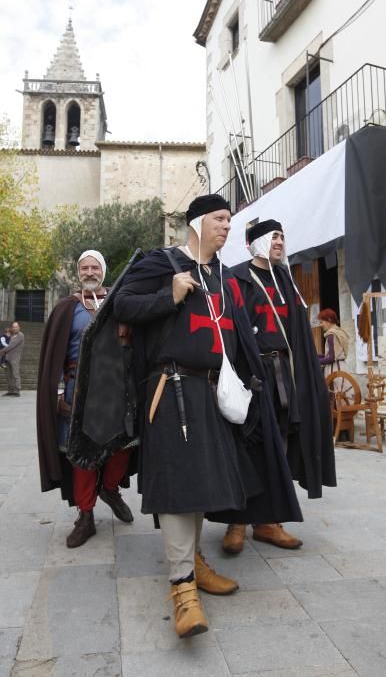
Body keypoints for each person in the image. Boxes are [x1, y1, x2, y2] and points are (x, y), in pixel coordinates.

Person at [113, 196, 302, 639]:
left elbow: (239, 337)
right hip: (171, 388)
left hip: (213, 392)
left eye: (229, 221)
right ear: (198, 221)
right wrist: (169, 295)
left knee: (201, 485)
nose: (227, 227)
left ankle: (193, 564)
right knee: (180, 486)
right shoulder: (163, 263)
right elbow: (122, 305)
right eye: (220, 219)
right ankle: (182, 592)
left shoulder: (223, 277)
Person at [222, 219, 336, 555]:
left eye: (283, 237)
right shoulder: (236, 278)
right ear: (255, 242)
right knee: (248, 444)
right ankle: (238, 522)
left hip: (285, 376)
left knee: (282, 445)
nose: (279, 242)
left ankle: (268, 522)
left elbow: (298, 333)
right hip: (252, 375)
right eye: (274, 237)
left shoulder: (287, 279)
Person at [37, 250, 135, 549]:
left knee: (123, 447)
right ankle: (86, 514)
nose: (90, 272)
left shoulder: (121, 303)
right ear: (78, 272)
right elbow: (54, 356)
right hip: (76, 391)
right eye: (85, 268)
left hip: (116, 390)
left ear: (103, 271)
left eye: (95, 267)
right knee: (81, 456)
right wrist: (56, 395)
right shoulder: (67, 307)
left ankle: (109, 488)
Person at [318, 308, 350, 377]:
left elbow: (331, 358)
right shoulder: (339, 332)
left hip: (334, 370)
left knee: (335, 388)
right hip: (342, 367)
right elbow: (332, 354)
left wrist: (315, 361)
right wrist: (316, 356)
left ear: (328, 320)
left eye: (321, 322)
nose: (320, 325)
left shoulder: (331, 334)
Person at [0, 322, 25, 397]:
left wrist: (3, 351)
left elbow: (11, 345)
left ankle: (17, 390)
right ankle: (10, 390)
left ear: (19, 327)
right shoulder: (11, 335)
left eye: (16, 327)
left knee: (15, 375)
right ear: (12, 328)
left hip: (15, 358)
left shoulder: (20, 335)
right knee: (8, 375)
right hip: (8, 358)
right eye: (13, 327)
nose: (15, 328)